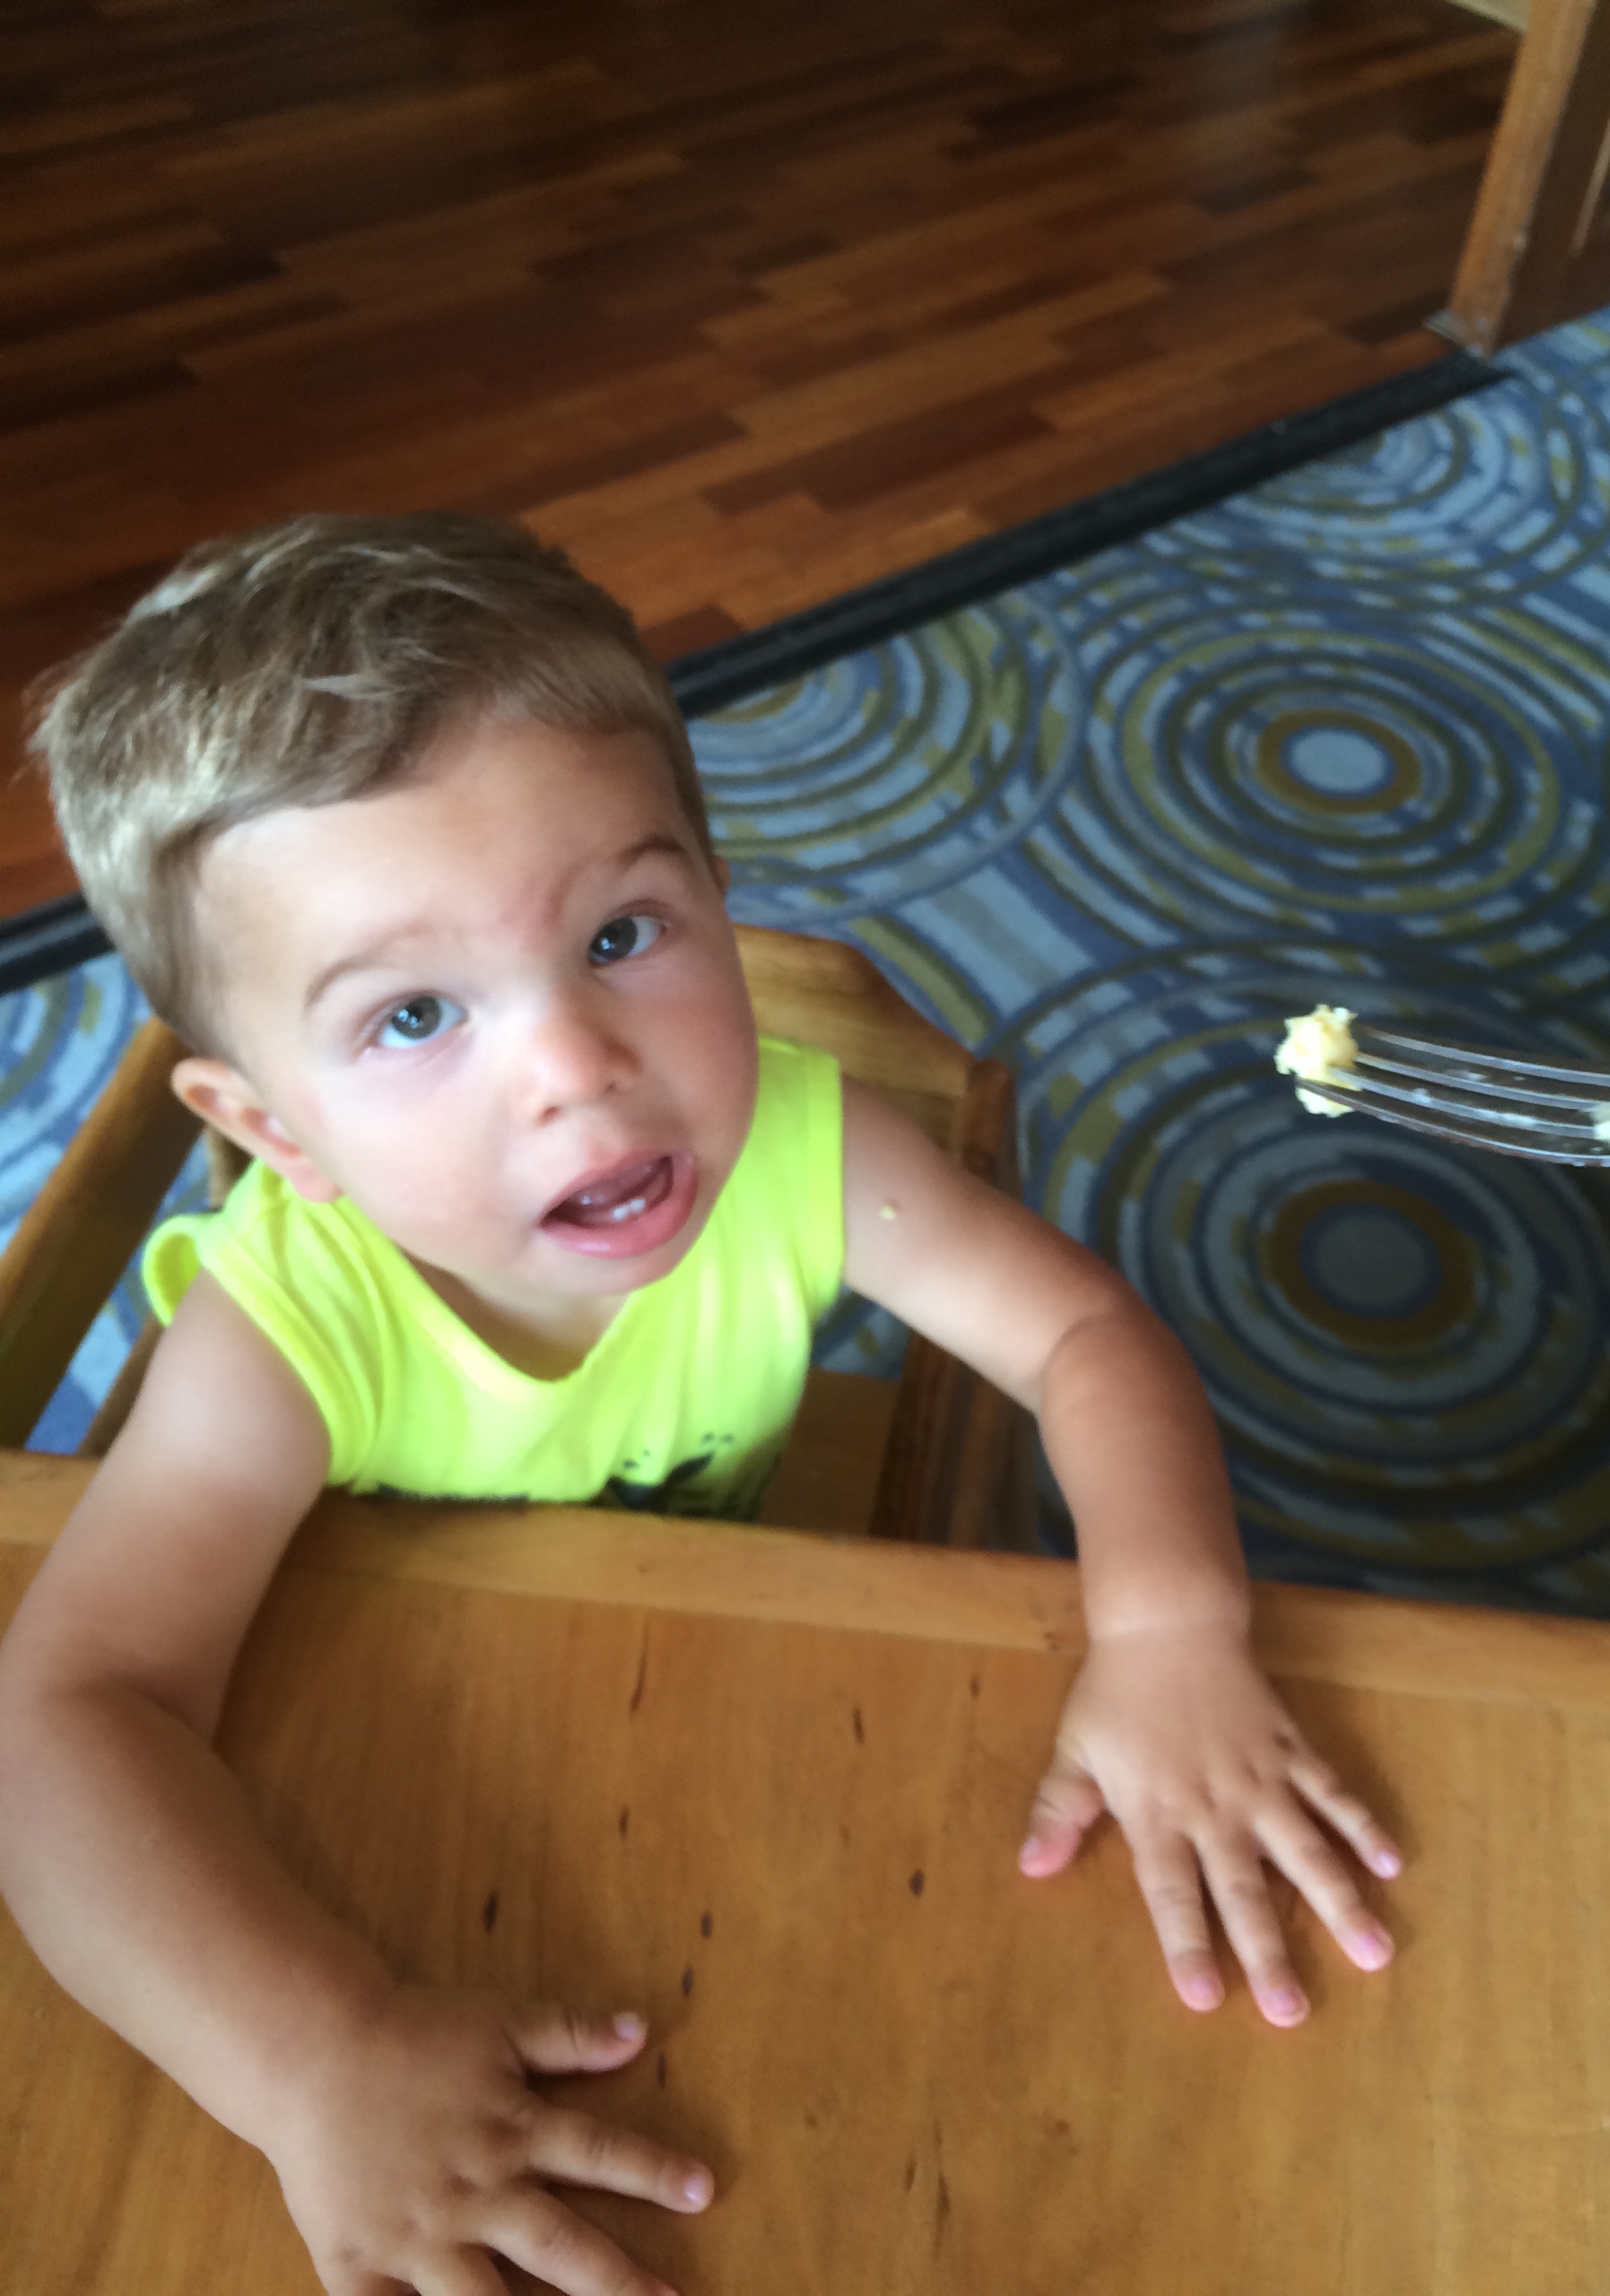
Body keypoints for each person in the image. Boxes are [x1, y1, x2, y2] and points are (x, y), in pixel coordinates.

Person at [0, 514, 1401, 2296]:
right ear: (277, 1131)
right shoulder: (286, 1331)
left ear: (718, 901)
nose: (578, 1069)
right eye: (416, 1016)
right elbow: (64, 1726)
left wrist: (1173, 1630)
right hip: (386, 1763)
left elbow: (1081, 1338)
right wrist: (310, 2063)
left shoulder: (803, 1155)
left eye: (624, 931)